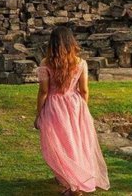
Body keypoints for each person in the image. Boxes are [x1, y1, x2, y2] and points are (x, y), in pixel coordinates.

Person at [34, 26, 110, 195]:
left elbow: (44, 92)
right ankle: (72, 178)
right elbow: (84, 89)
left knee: (60, 143)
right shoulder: (80, 63)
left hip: (55, 105)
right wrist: (84, 108)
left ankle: (72, 183)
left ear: (52, 43)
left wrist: (38, 114)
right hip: (75, 104)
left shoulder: (46, 63)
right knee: (77, 142)